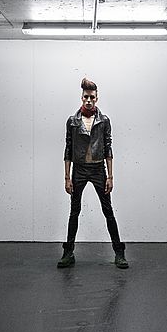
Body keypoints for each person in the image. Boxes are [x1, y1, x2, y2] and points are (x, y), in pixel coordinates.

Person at [58, 77, 128, 269]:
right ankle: (68, 252)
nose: (88, 100)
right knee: (74, 211)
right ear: (81, 98)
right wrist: (67, 177)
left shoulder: (104, 120)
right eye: (85, 97)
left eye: (92, 97)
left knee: (108, 211)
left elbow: (108, 148)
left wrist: (111, 176)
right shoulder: (73, 121)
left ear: (96, 98)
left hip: (98, 169)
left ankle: (119, 253)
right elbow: (68, 149)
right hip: (79, 170)